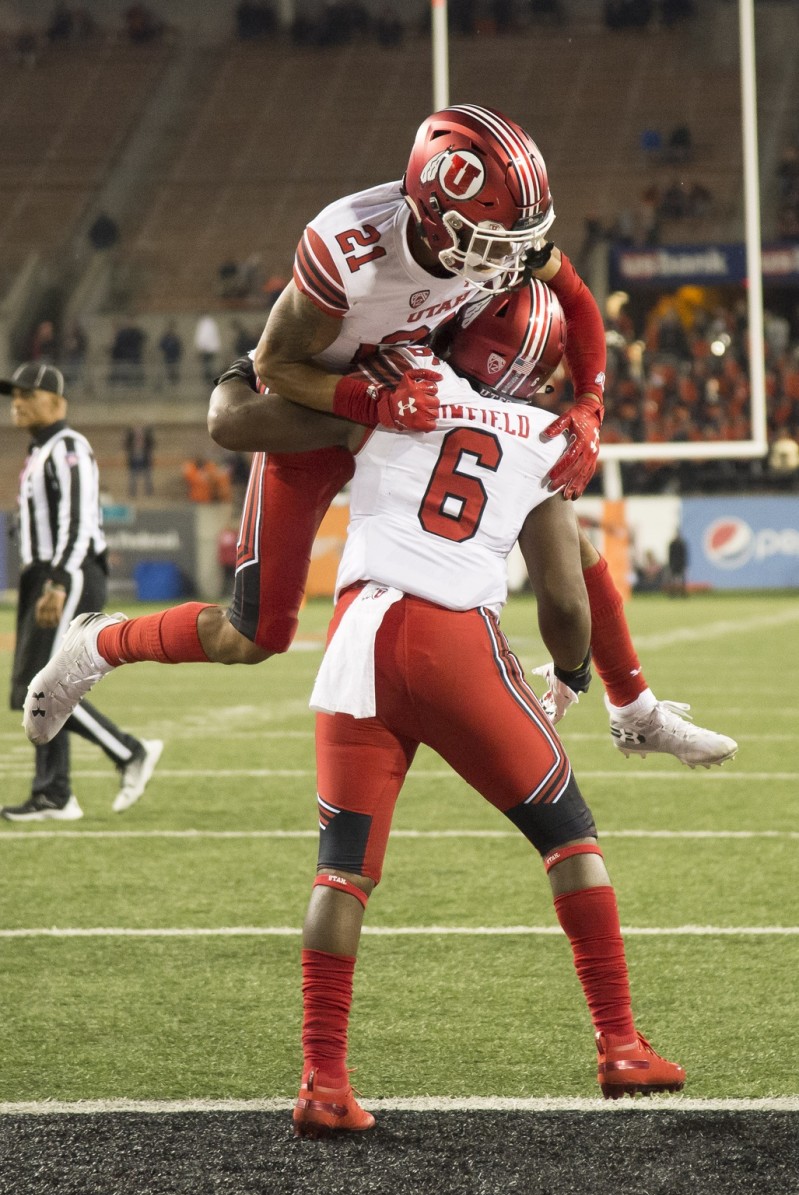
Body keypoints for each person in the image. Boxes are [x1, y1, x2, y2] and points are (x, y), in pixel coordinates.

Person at [20, 105, 735, 770]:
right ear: (433, 217)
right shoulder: (348, 243)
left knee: (561, 532)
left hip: (416, 390)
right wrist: (372, 402)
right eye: (489, 242)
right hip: (326, 404)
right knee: (255, 636)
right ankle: (98, 644)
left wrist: (589, 404)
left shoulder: (493, 240)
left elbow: (573, 297)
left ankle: (632, 706)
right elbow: (272, 368)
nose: (505, 261)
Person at [261, 290, 682, 1135]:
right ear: (536, 363)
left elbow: (253, 417)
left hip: (355, 637)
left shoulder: (396, 377)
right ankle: (620, 1044)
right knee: (569, 835)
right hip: (451, 636)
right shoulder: (538, 436)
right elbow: (565, 599)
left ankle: (322, 1081)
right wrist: (569, 672)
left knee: (341, 867)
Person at [1, 363, 162, 821]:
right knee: (31, 690)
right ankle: (54, 793)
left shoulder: (67, 447)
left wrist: (55, 580)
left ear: (56, 400)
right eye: (13, 394)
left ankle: (129, 752)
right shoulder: (41, 451)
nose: (16, 401)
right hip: (47, 575)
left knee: (46, 687)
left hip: (66, 574)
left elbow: (76, 520)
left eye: (26, 394)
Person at [124, 424, 155, 497]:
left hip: (145, 460)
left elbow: (152, 444)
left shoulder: (146, 439)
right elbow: (126, 446)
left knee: (148, 477)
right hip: (134, 460)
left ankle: (149, 493)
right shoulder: (131, 439)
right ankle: (132, 493)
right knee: (133, 478)